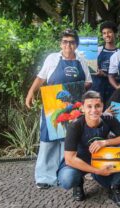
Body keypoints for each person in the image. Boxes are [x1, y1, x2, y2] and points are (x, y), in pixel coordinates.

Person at [25, 28, 92, 189]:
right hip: (52, 105)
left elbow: (88, 81)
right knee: (48, 140)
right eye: (65, 41)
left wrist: (76, 90)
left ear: (76, 44)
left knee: (68, 140)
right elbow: (41, 78)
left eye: (71, 42)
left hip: (73, 106)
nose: (68, 45)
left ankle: (63, 174)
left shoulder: (81, 59)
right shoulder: (52, 58)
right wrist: (30, 93)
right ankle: (44, 177)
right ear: (60, 43)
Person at [57, 91, 120, 207]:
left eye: (97, 106)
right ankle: (78, 182)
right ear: (82, 108)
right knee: (67, 179)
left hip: (100, 159)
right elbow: (69, 159)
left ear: (102, 106)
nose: (94, 110)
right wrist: (97, 171)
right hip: (79, 161)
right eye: (89, 106)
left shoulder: (108, 118)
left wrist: (105, 142)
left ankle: (114, 186)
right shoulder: (75, 126)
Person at [91, 21, 118, 104]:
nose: (107, 35)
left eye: (109, 32)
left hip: (113, 92)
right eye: (104, 33)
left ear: (115, 33)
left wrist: (104, 75)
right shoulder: (96, 51)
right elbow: (88, 69)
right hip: (96, 90)